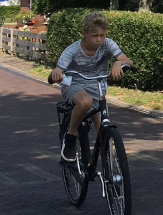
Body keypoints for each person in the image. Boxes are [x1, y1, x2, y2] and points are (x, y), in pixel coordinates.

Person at [49, 11, 132, 162]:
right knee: (85, 102)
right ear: (84, 33)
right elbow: (59, 69)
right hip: (74, 85)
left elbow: (127, 61)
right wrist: (56, 72)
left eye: (102, 35)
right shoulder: (73, 50)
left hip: (97, 87)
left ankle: (108, 169)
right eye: (94, 36)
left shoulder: (108, 44)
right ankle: (71, 136)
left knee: (104, 132)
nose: (99, 39)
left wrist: (118, 63)